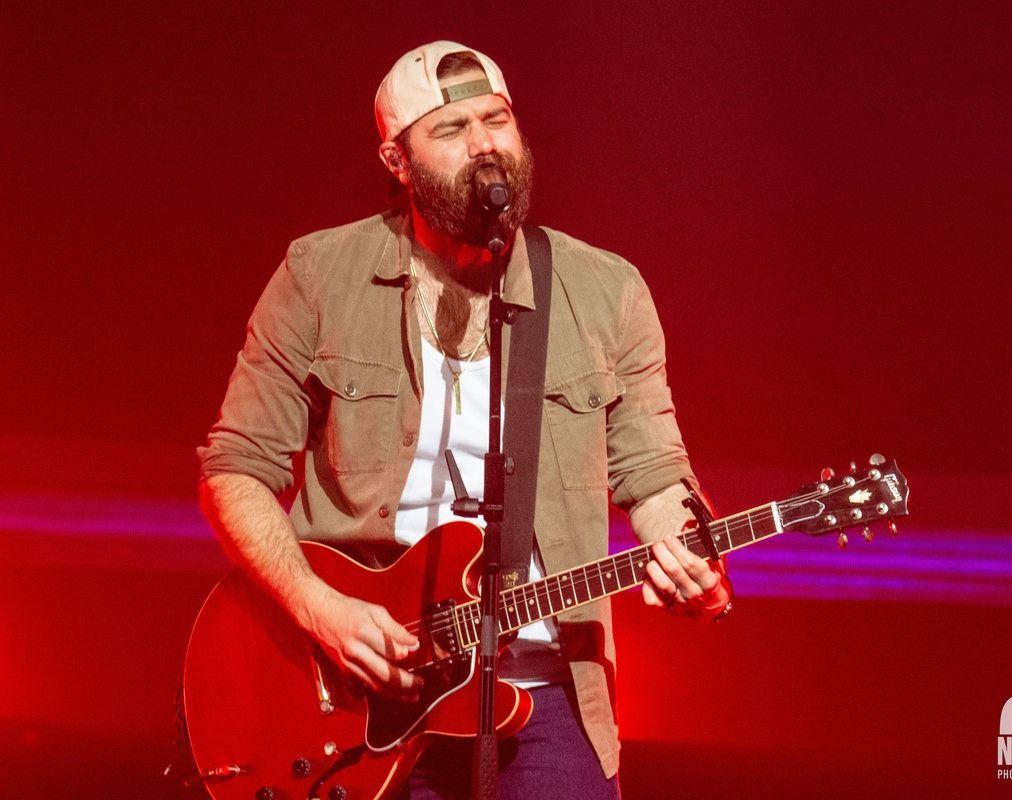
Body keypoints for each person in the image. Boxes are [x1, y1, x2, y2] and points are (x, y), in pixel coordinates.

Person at [197, 40, 732, 800]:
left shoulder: (605, 291)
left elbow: (654, 475)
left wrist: (694, 559)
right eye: (451, 129)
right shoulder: (319, 275)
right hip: (351, 684)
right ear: (397, 160)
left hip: (540, 690)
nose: (485, 144)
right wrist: (323, 611)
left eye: (497, 119)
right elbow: (235, 470)